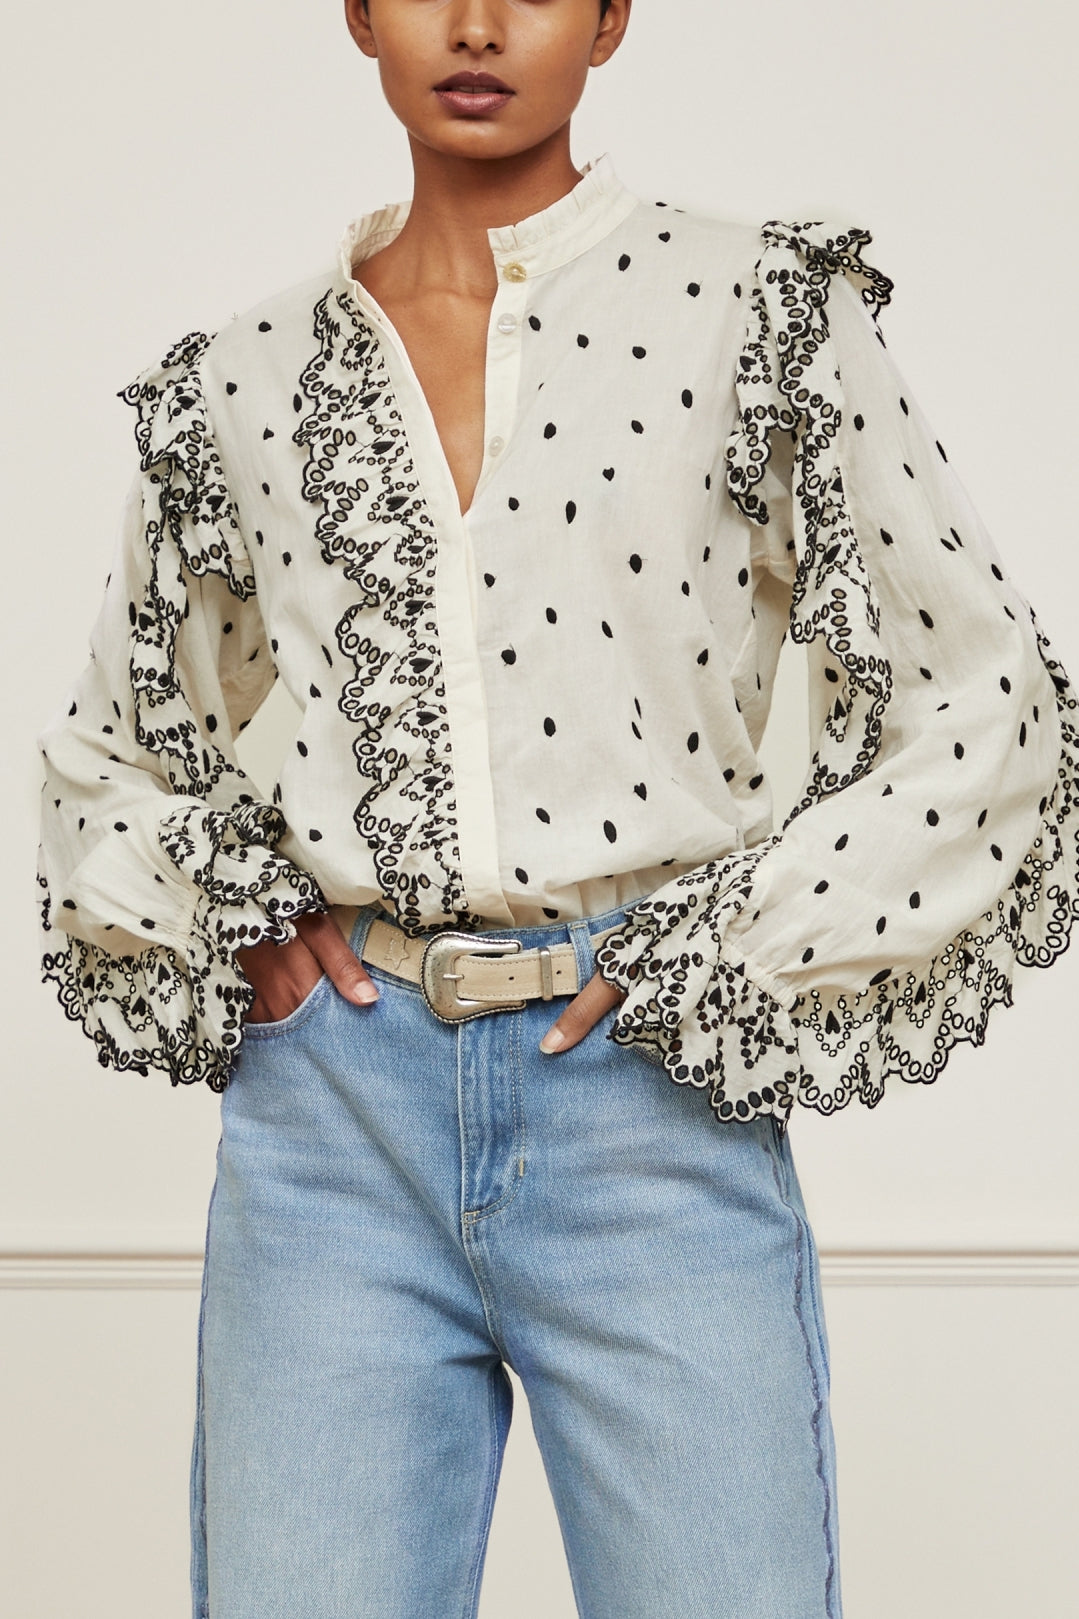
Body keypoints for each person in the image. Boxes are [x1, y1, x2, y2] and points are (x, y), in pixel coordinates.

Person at [33, 1, 1079, 1615]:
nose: (474, 25)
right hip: (334, 1133)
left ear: (608, 17)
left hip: (647, 1104)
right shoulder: (236, 381)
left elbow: (986, 697)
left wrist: (735, 949)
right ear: (357, 13)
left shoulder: (754, 313)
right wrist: (232, 917)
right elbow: (111, 752)